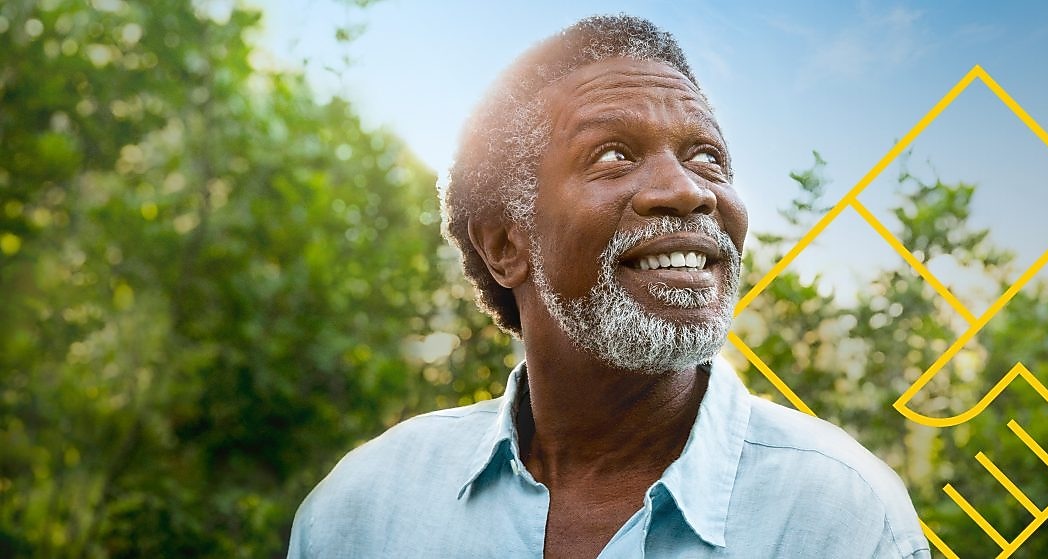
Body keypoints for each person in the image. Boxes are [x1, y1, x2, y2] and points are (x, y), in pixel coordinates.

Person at [289, 14, 929, 558]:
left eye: (707, 157)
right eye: (613, 154)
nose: (687, 190)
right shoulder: (364, 513)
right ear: (505, 245)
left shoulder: (839, 516)